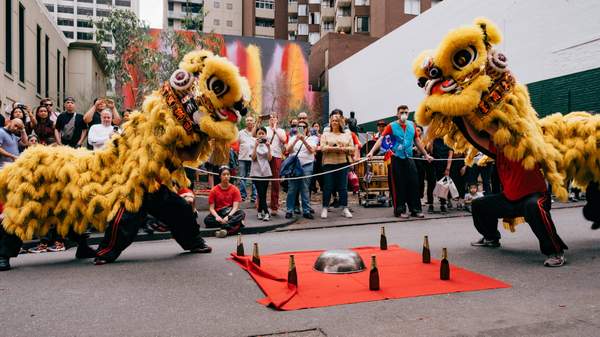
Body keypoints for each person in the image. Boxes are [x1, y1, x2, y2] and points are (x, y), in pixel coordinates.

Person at [461, 119, 568, 267]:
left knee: (534, 206)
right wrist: (464, 118)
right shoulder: (497, 150)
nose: (491, 137)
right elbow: (476, 139)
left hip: (534, 196)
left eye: (494, 134)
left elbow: (500, 131)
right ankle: (491, 237)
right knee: (479, 204)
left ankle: (555, 252)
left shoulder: (522, 144)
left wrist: (481, 118)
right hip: (510, 200)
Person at [367, 105, 433, 218]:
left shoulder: (412, 125)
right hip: (396, 158)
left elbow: (417, 140)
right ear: (397, 114)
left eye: (406, 112)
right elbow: (381, 139)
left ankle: (415, 209)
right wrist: (371, 152)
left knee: (414, 183)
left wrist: (426, 154)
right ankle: (400, 210)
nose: (404, 114)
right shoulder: (391, 126)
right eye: (402, 112)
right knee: (399, 185)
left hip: (409, 158)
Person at [320, 114, 354, 219]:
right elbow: (322, 148)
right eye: (333, 121)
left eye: (337, 121)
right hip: (328, 163)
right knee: (328, 186)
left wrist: (343, 149)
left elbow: (352, 149)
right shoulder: (325, 135)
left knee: (343, 187)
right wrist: (334, 148)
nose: (334, 122)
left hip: (343, 163)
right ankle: (325, 207)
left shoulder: (347, 135)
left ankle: (344, 208)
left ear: (341, 123)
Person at [285, 120, 318, 219]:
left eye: (304, 127)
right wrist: (296, 140)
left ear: (307, 129)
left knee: (305, 188)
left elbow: (312, 150)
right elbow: (288, 150)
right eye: (300, 127)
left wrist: (303, 140)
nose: (302, 128)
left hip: (307, 165)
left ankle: (306, 211)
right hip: (294, 166)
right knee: (292, 189)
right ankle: (289, 210)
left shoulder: (312, 138)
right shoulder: (292, 138)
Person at [203, 166, 246, 237]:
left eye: (228, 174)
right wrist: (217, 217)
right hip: (219, 213)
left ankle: (225, 229)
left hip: (230, 212)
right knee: (207, 220)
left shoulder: (235, 189)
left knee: (241, 213)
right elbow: (211, 208)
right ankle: (236, 224)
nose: (226, 176)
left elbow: (235, 207)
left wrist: (228, 217)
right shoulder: (214, 190)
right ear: (220, 176)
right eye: (224, 174)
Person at [265, 114, 286, 215]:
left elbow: (283, 140)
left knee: (275, 182)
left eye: (274, 117)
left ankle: (274, 206)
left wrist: (274, 129)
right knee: (263, 180)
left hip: (277, 156)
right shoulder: (264, 129)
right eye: (271, 117)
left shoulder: (281, 130)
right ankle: (261, 205)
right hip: (265, 156)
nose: (272, 119)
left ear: (277, 119)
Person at [250, 127, 272, 221]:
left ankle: (259, 211)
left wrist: (269, 147)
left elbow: (270, 159)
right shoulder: (253, 143)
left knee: (263, 192)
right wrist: (255, 145)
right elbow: (253, 158)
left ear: (266, 135)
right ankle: (266, 212)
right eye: (259, 133)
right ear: (257, 135)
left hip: (266, 171)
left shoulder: (268, 144)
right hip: (256, 171)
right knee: (260, 192)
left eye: (263, 133)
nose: (261, 135)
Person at [237, 115, 257, 203]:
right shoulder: (240, 132)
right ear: (245, 122)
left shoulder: (256, 132)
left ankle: (254, 196)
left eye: (251, 120)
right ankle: (243, 195)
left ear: (253, 122)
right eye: (247, 120)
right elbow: (236, 144)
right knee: (242, 177)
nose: (249, 122)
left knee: (254, 178)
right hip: (242, 158)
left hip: (253, 158)